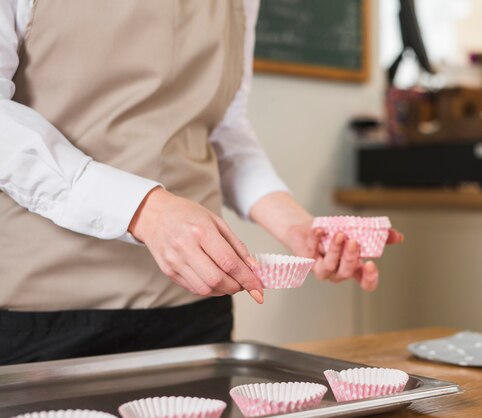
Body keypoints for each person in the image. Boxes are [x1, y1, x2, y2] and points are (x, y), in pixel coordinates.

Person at [0, 0, 403, 366]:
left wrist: (295, 226)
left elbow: (223, 128)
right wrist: (145, 211)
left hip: (195, 310)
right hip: (43, 317)